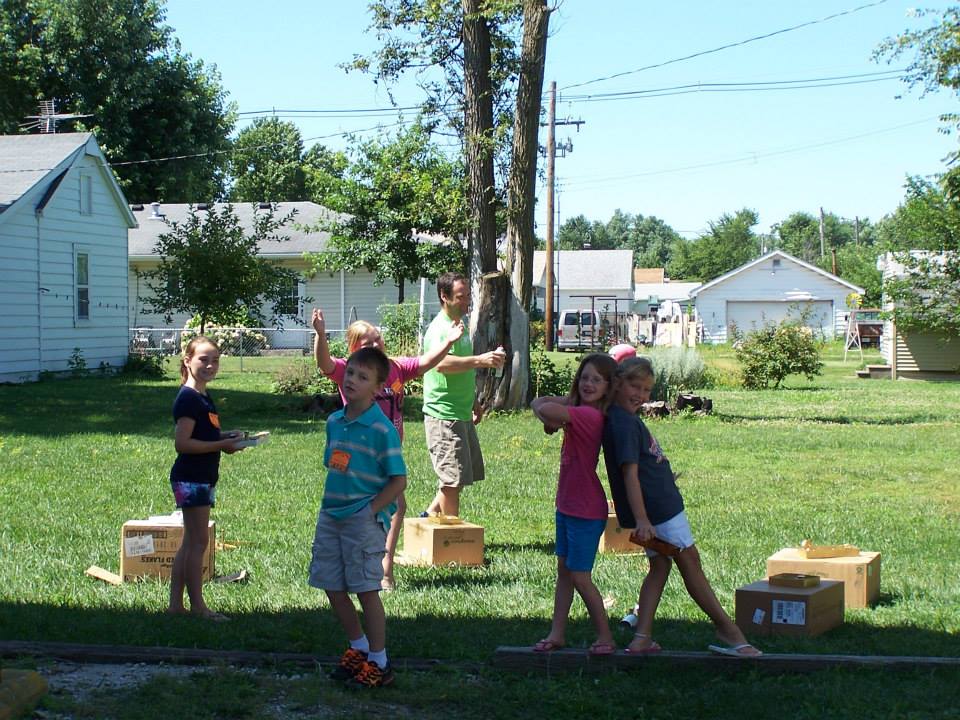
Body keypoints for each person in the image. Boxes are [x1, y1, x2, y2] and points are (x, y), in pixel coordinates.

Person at [602, 356, 762, 657]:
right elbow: (629, 475)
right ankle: (728, 630)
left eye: (647, 390)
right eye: (634, 386)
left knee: (660, 566)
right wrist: (642, 519)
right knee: (689, 561)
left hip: (658, 505)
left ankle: (642, 637)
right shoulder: (622, 423)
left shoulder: (623, 417)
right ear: (618, 383)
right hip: (658, 510)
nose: (641, 395)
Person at [311, 307, 464, 590]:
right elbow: (325, 364)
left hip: (386, 452)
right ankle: (380, 568)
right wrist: (320, 334)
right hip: (360, 452)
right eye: (367, 342)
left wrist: (448, 343)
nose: (375, 345)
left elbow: (426, 363)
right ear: (355, 348)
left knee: (392, 505)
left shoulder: (394, 367)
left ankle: (376, 564)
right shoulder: (350, 368)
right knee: (386, 505)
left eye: (377, 339)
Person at [308, 346, 408, 688]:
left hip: (362, 521)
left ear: (378, 388)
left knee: (366, 589)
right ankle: (359, 647)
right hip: (331, 515)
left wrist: (371, 510)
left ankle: (380, 661)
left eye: (363, 377)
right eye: (350, 373)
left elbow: (399, 481)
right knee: (332, 585)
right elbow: (335, 464)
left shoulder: (382, 430)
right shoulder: (335, 422)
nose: (352, 380)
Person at [530, 353, 620, 656]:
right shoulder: (578, 411)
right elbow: (544, 409)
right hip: (567, 505)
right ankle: (557, 633)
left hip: (585, 509)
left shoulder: (589, 416)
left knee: (580, 575)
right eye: (584, 378)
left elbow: (542, 406)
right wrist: (554, 410)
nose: (589, 384)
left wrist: (554, 409)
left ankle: (605, 636)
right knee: (565, 573)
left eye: (597, 379)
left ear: (609, 387)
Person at [168, 336, 244, 621]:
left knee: (190, 542)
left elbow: (204, 434)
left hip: (200, 478)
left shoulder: (202, 395)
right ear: (187, 361)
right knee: (198, 543)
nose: (210, 365)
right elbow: (183, 443)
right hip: (192, 478)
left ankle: (176, 606)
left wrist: (228, 436)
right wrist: (220, 446)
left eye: (215, 360)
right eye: (203, 359)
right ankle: (198, 606)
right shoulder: (188, 398)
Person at [421, 271, 505, 518]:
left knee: (457, 476)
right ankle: (451, 541)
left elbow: (461, 370)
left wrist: (474, 403)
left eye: (468, 295)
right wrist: (481, 360)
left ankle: (427, 519)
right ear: (444, 297)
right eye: (461, 296)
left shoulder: (459, 326)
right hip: (443, 416)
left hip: (460, 413)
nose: (467, 301)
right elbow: (441, 364)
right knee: (452, 479)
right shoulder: (439, 330)